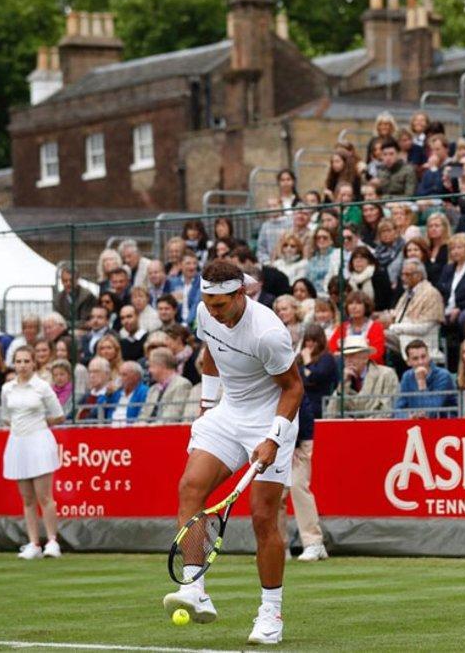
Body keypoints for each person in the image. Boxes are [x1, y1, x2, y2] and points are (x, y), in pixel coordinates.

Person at [163, 260, 304, 644]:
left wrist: (274, 438)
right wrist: (208, 406)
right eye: (207, 302)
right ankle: (195, 588)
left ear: (240, 294)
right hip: (228, 412)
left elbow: (293, 388)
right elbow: (211, 352)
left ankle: (271, 613)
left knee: (262, 518)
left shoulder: (267, 333)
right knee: (190, 487)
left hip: (271, 418)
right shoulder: (205, 311)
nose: (212, 310)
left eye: (220, 304)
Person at [1, 347, 66, 559]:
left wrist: (38, 424)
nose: (22, 365)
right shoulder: (7, 389)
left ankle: (52, 542)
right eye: (18, 361)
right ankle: (33, 543)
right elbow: (6, 416)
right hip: (18, 444)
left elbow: (58, 415)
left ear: (33, 364)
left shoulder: (42, 387)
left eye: (26, 361)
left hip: (39, 442)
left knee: (44, 496)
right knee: (27, 498)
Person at [282, 326, 335, 562]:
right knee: (274, 493)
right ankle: (276, 546)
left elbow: (302, 405)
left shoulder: (299, 368)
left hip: (298, 439)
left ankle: (314, 542)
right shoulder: (279, 368)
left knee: (298, 487)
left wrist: (294, 443)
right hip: (277, 441)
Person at [330, 335, 399, 418]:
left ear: (365, 358)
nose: (348, 360)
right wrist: (343, 385)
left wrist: (361, 425)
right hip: (350, 429)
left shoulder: (386, 374)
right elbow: (331, 414)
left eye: (352, 355)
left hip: (378, 428)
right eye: (345, 356)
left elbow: (388, 410)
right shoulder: (345, 379)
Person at [394, 339, 456, 419]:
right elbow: (398, 409)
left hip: (445, 425)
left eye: (423, 357)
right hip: (416, 426)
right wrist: (409, 416)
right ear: (408, 362)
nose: (421, 362)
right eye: (415, 359)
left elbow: (430, 413)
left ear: (429, 357)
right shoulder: (407, 376)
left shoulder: (443, 375)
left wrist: (421, 382)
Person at [141, 348, 194, 422]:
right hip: (146, 431)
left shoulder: (182, 384)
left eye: (151, 366)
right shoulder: (152, 389)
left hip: (165, 431)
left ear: (161, 365)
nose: (149, 370)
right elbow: (142, 417)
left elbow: (172, 417)